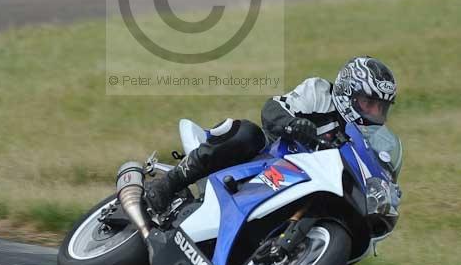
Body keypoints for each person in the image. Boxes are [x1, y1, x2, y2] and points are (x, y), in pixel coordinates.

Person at [145, 56, 399, 213]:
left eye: (381, 107)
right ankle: (169, 183)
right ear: (347, 91)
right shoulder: (320, 93)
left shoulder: (370, 137)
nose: (375, 112)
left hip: (306, 182)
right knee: (247, 134)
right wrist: (293, 125)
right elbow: (273, 108)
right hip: (270, 157)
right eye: (369, 103)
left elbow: (375, 168)